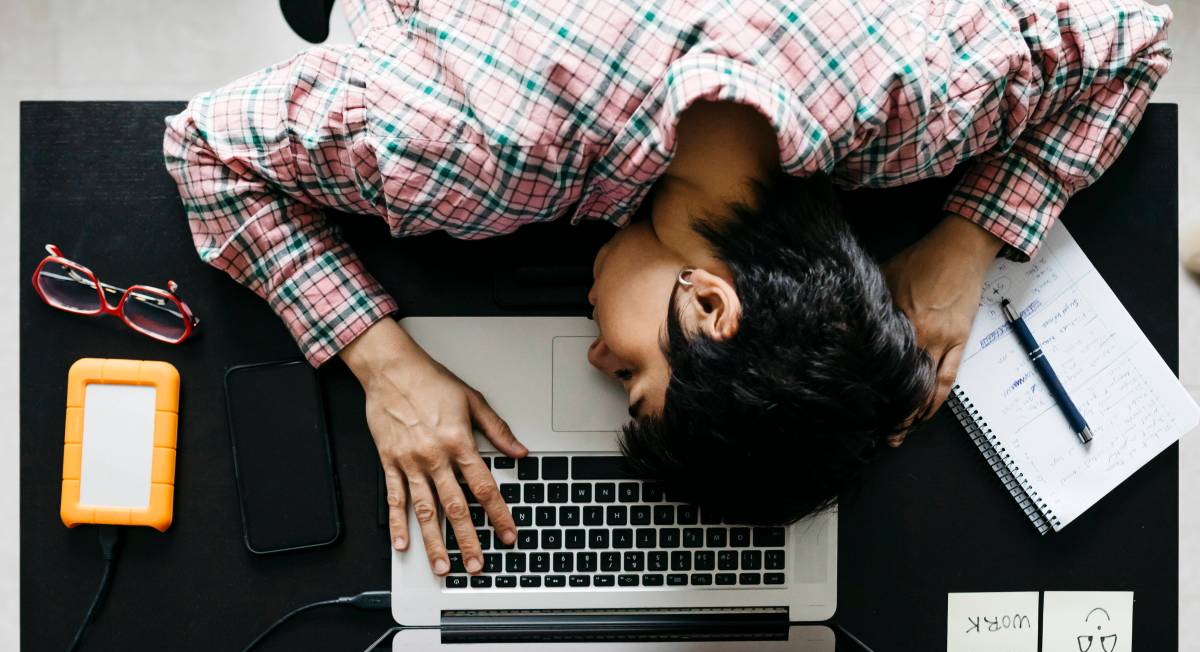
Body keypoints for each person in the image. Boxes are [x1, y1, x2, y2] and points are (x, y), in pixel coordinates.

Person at [164, 0, 1172, 579]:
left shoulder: (923, 100)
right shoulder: (466, 156)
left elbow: (1133, 31)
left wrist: (966, 238)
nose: (596, 356)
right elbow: (203, 148)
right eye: (635, 373)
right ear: (707, 304)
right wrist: (382, 362)